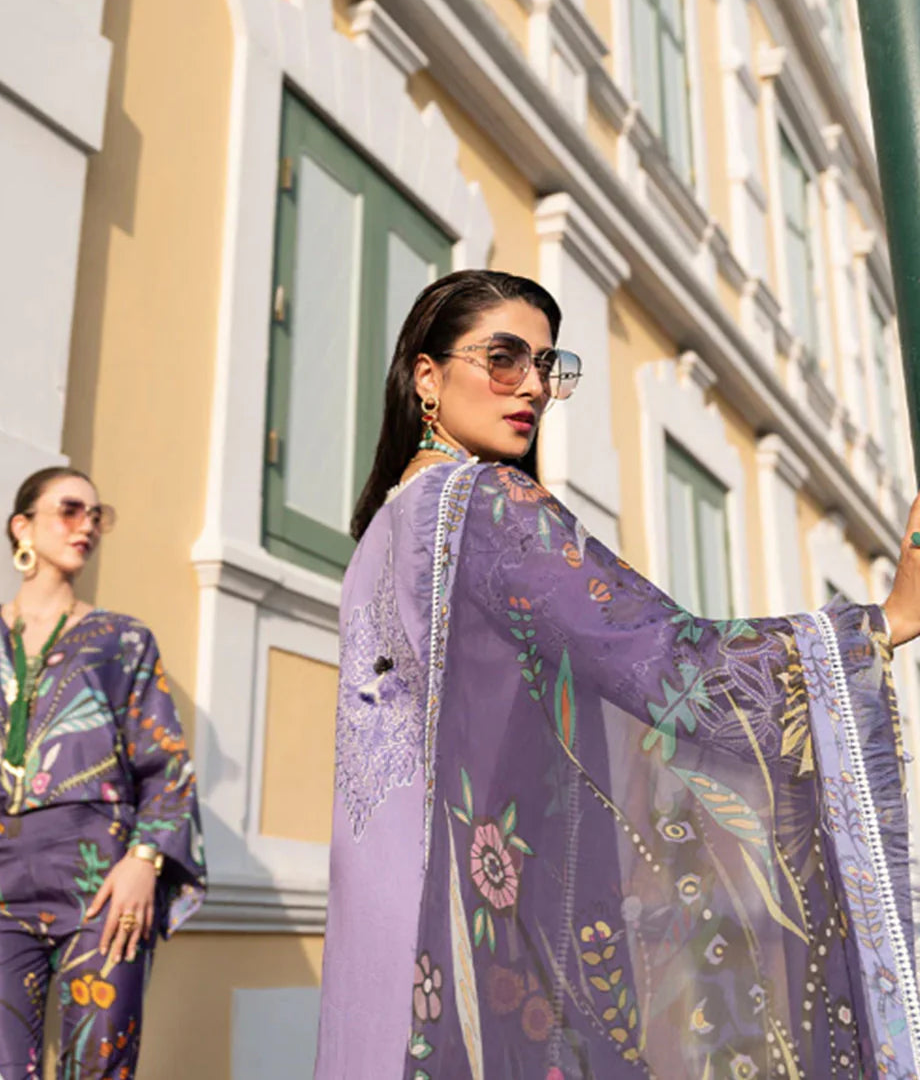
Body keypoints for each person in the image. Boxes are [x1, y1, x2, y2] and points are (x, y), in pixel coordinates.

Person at [314, 268, 920, 1080]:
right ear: (427, 376)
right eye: (503, 358)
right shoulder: (492, 504)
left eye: (545, 365)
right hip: (477, 913)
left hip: (382, 931)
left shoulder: (379, 535)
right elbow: (667, 658)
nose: (530, 385)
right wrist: (884, 623)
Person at [0, 467, 206, 1080]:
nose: (88, 526)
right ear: (22, 526)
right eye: (71, 510)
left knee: (100, 1070)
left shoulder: (123, 640)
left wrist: (145, 860)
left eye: (96, 515)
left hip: (103, 883)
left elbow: (164, 762)